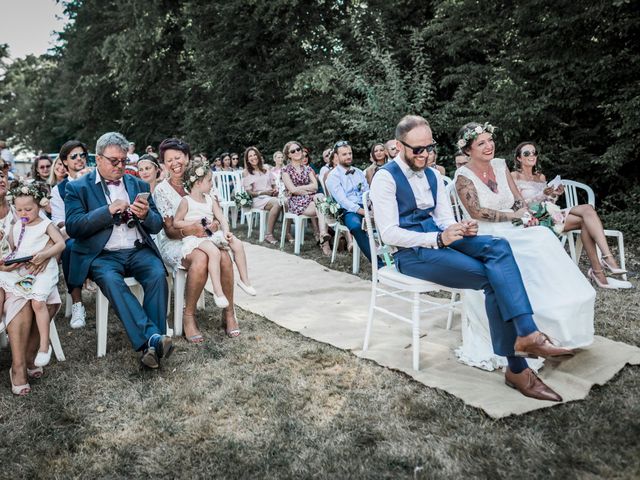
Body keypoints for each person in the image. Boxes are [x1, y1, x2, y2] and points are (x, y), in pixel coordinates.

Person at [371, 115, 576, 402]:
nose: (424, 155)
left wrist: (457, 228)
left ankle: (528, 334)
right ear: (398, 145)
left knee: (499, 247)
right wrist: (438, 238)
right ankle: (517, 367)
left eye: (429, 147)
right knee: (493, 278)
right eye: (417, 149)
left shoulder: (432, 175)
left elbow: (443, 219)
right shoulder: (385, 178)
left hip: (441, 240)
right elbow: (390, 233)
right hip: (411, 253)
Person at [454, 121, 595, 372]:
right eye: (481, 143)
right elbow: (476, 211)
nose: (489, 146)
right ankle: (529, 330)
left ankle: (560, 318)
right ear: (468, 150)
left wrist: (526, 215)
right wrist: (513, 216)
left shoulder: (500, 165)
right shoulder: (463, 177)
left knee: (542, 235)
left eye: (490, 140)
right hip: (487, 233)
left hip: (514, 226)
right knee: (535, 242)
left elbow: (518, 199)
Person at [65, 132, 172, 368]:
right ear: (98, 158)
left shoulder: (139, 184)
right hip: (102, 255)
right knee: (112, 282)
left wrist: (145, 216)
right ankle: (153, 339)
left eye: (124, 161)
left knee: (157, 274)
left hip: (138, 249)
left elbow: (156, 225)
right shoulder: (77, 188)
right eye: (114, 161)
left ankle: (152, 345)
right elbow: (74, 227)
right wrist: (108, 211)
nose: (120, 166)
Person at [511, 141, 631, 289]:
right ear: (518, 158)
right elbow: (518, 204)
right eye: (527, 153)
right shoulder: (514, 176)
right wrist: (542, 194)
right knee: (586, 214)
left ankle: (601, 269)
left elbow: (549, 201)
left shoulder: (540, 177)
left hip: (551, 213)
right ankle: (603, 266)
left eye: (534, 152)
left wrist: (555, 194)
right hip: (534, 219)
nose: (532, 155)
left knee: (587, 213)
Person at [153, 138, 240, 341]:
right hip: (175, 241)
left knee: (225, 257)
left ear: (187, 158)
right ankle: (188, 315)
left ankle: (228, 312)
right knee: (201, 259)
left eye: (178, 157)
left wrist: (214, 226)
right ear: (163, 164)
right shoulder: (161, 190)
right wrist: (192, 230)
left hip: (205, 238)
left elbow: (216, 216)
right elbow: (169, 230)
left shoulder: (203, 182)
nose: (175, 163)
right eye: (169, 160)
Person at [0, 161, 61, 395]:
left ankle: (30, 354)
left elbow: (56, 232)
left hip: (28, 269)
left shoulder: (26, 211)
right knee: (21, 301)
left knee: (42, 298)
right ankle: (18, 365)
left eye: (2, 172)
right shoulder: (19, 216)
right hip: (9, 273)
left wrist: (45, 250)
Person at [50, 140, 92, 328]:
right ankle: (77, 304)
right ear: (64, 161)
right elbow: (59, 221)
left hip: (102, 231)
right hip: (74, 234)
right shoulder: (58, 189)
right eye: (73, 156)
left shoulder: (97, 178)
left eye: (82, 155)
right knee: (69, 248)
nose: (79, 159)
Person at [325, 140, 375, 264]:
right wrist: (364, 212)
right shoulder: (333, 176)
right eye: (344, 154)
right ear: (336, 156)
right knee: (356, 227)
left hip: (364, 205)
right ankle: (377, 264)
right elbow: (342, 201)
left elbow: (367, 192)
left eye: (350, 153)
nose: (348, 156)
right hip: (348, 210)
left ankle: (397, 258)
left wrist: (371, 207)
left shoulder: (358, 172)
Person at [281, 140, 332, 256]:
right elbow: (292, 190)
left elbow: (315, 187)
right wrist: (305, 189)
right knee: (323, 206)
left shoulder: (307, 169)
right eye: (293, 151)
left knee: (320, 196)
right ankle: (324, 241)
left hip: (311, 198)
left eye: (298, 149)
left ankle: (323, 234)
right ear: (288, 155)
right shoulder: (285, 170)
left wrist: (300, 189)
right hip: (296, 202)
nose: (297, 152)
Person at [242, 147, 282, 245]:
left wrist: (275, 190)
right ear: (247, 159)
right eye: (250, 156)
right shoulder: (246, 172)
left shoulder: (266, 169)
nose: (253, 157)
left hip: (270, 197)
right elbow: (249, 193)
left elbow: (273, 184)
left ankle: (287, 233)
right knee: (277, 203)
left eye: (255, 154)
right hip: (257, 199)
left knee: (284, 202)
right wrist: (263, 193)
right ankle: (268, 234)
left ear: (258, 156)